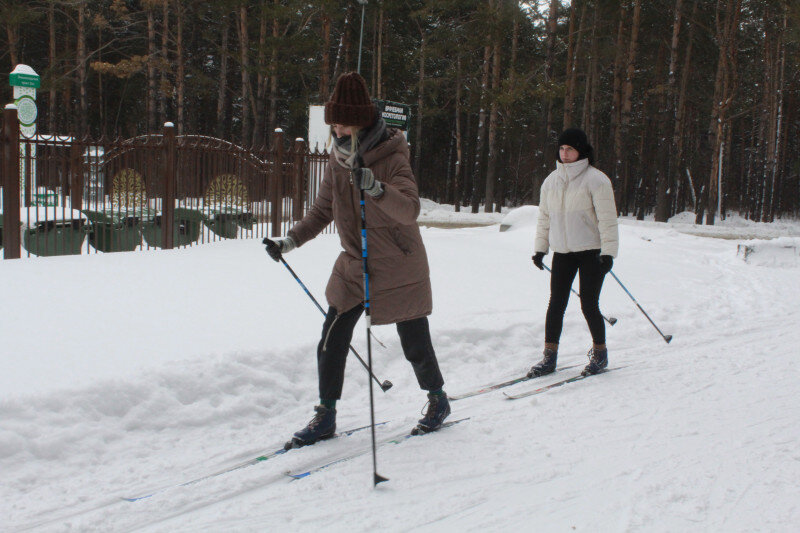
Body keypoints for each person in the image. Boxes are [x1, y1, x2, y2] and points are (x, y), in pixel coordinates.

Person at [264, 72, 450, 447]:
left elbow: (409, 209)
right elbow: (322, 211)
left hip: (398, 263)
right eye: (334, 122)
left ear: (363, 121)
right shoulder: (337, 161)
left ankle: (437, 399)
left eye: (344, 122)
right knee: (332, 337)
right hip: (355, 265)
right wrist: (290, 241)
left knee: (413, 340)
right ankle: (326, 414)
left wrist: (377, 189)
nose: (337, 129)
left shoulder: (393, 156)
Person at [529, 128, 619, 377]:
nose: (565, 154)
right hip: (563, 252)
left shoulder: (596, 180)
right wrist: (540, 249)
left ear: (581, 151)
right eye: (561, 149)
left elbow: (608, 220)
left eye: (570, 149)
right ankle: (549, 357)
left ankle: (600, 354)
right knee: (556, 303)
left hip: (591, 252)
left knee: (589, 304)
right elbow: (544, 218)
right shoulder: (551, 181)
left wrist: (608, 253)